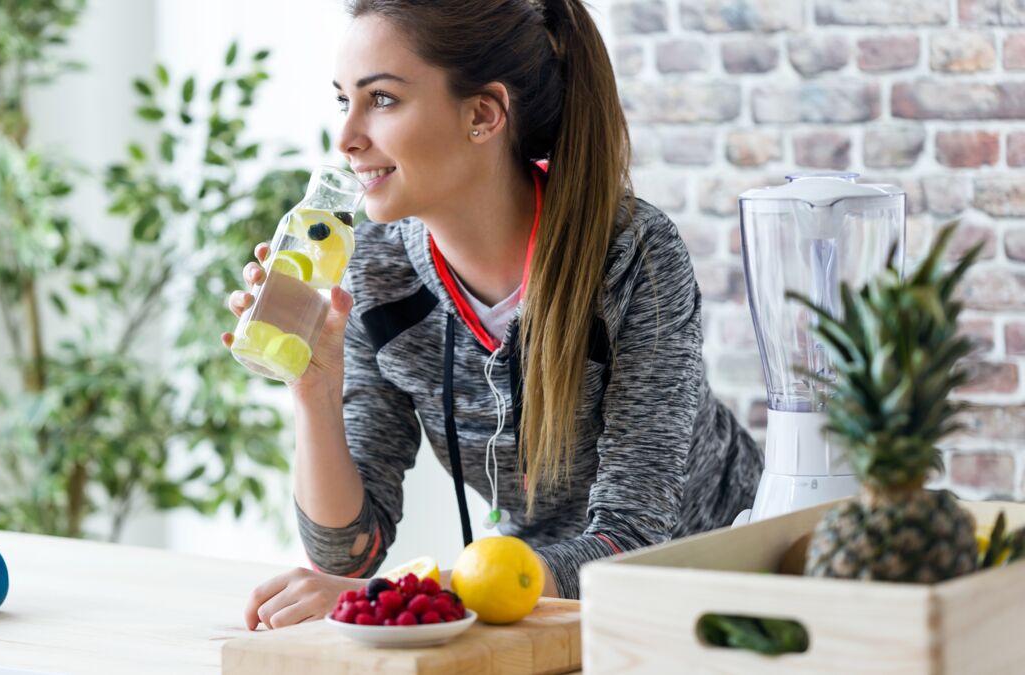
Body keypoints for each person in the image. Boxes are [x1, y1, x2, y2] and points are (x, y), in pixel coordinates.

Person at [222, 0, 762, 630]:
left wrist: (409, 595)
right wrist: (314, 387)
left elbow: (634, 538)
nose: (346, 139)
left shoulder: (628, 253)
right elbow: (350, 552)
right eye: (345, 101)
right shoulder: (374, 267)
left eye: (384, 100)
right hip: (537, 606)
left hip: (726, 590)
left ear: (482, 114)